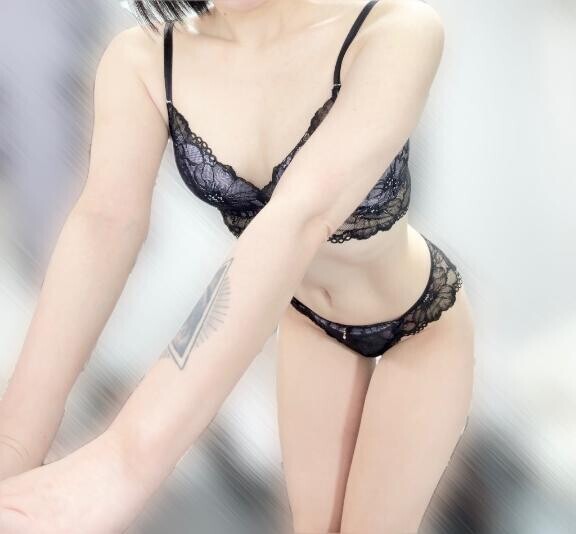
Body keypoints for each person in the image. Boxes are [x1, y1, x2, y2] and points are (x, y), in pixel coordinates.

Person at [0, 0, 475, 532]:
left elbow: (299, 218)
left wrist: (124, 460)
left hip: (416, 325)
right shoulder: (145, 60)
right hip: (312, 327)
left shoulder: (396, 28)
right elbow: (103, 226)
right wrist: (16, 440)